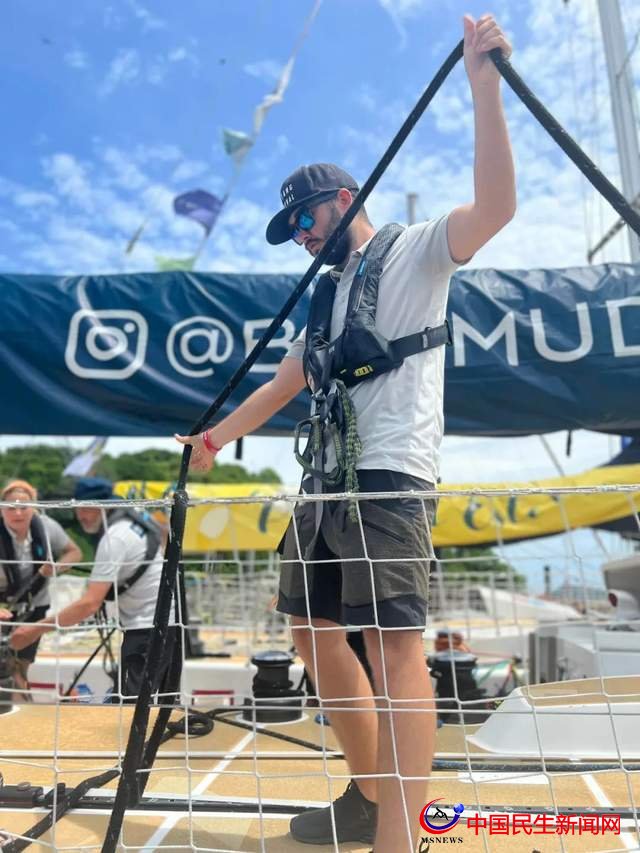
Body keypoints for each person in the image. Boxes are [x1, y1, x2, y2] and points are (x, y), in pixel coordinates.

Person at [176, 14, 515, 852]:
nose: (301, 235)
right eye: (292, 228)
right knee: (309, 628)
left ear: (345, 197)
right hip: (323, 483)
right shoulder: (322, 299)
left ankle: (401, 835)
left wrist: (484, 87)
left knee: (395, 645)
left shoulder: (417, 251)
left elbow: (497, 207)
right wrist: (213, 439)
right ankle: (367, 796)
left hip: (390, 475)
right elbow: (282, 384)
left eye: (306, 217)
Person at [10, 477, 170, 701]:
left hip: (146, 628)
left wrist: (34, 630)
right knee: (153, 704)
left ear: (105, 507)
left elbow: (89, 603)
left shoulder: (113, 539)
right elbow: (163, 536)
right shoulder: (133, 522)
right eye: (78, 508)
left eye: (87, 508)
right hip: (163, 623)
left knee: (131, 708)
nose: (80, 515)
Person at [0, 479, 82, 692]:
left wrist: (55, 567)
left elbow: (74, 552)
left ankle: (19, 704)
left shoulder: (47, 527)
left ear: (34, 507)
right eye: (11, 507)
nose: (18, 513)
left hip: (35, 605)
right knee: (5, 665)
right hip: (2, 606)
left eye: (24, 507)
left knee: (21, 665)